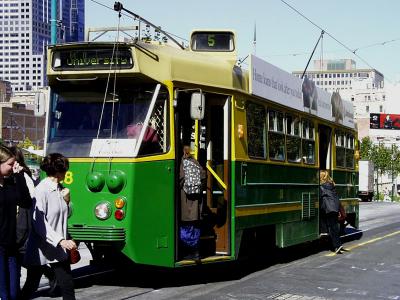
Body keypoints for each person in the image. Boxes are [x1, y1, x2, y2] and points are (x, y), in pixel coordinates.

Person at [21, 153, 77, 300]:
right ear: (59, 172)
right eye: (66, 169)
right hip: (41, 248)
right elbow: (39, 222)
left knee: (67, 286)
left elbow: (66, 215)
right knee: (31, 285)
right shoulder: (41, 190)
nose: (67, 172)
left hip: (58, 248)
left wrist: (67, 201)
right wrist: (60, 240)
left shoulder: (60, 188)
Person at [9, 146, 57, 297]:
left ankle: (44, 276)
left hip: (23, 223)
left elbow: (29, 201)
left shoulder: (23, 176)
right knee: (19, 258)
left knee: (23, 257)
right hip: (16, 223)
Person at [0, 145, 32, 300]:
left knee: (14, 293)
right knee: (4, 293)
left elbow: (26, 202)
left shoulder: (10, 184)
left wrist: (19, 176)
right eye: (10, 164)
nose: (13, 167)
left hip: (11, 245)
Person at [179, 145, 206, 261]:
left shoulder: (182, 162)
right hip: (196, 200)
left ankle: (190, 252)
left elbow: (180, 179)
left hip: (185, 199)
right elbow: (203, 176)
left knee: (186, 225)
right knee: (195, 225)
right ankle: (196, 252)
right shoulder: (195, 162)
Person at [319, 170, 347, 254]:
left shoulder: (321, 186)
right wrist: (340, 210)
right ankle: (338, 244)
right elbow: (337, 198)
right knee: (334, 227)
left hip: (328, 209)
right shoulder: (332, 186)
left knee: (332, 228)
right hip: (335, 208)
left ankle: (336, 245)